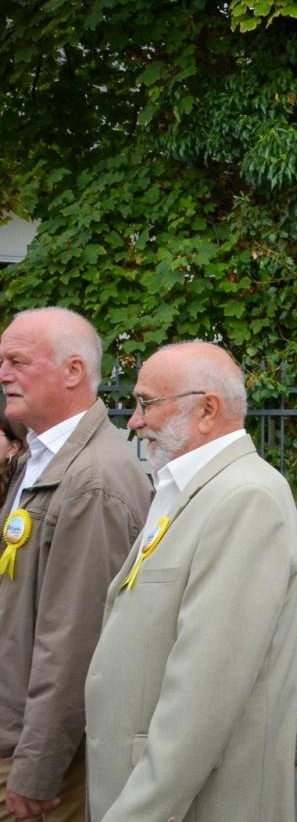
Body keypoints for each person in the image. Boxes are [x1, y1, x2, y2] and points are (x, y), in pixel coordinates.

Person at [84, 341, 297, 821]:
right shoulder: (187, 486)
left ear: (208, 409)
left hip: (194, 804)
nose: (134, 421)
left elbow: (202, 699)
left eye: (147, 403)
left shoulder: (245, 498)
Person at [0, 308, 149, 822]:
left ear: (72, 372)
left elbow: (73, 639)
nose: (2, 374)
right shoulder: (41, 456)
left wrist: (36, 768)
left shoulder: (93, 481)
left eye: (17, 361)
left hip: (29, 755)